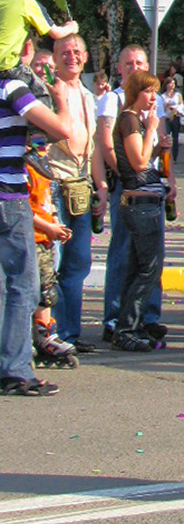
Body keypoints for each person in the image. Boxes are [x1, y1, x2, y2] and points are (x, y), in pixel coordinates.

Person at [0, 4, 80, 397]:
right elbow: (62, 129)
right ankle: (14, 369)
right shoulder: (11, 87)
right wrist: (59, 95)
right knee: (24, 285)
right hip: (8, 195)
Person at [37, 33, 106, 355]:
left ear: (86, 56)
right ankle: (51, 331)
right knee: (54, 260)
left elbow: (93, 151)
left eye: (77, 51)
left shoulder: (88, 96)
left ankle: (71, 332)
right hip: (52, 182)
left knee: (78, 263)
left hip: (80, 185)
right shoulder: (47, 92)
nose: (72, 57)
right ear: (55, 56)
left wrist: (100, 186)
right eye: (65, 52)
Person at [112, 68, 168, 352]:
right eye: (148, 91)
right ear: (135, 93)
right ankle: (127, 327)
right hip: (139, 205)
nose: (152, 98)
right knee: (148, 267)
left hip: (147, 201)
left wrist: (159, 150)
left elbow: (146, 162)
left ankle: (129, 324)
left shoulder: (134, 120)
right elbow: (137, 162)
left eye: (155, 92)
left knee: (138, 267)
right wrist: (150, 131)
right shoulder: (129, 120)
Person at [26, 160, 77, 369]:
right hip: (31, 237)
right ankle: (26, 338)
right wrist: (48, 227)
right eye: (38, 143)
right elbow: (23, 208)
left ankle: (45, 334)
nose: (43, 149)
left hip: (46, 237)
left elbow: (49, 204)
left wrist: (56, 225)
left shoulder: (43, 169)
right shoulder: (24, 169)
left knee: (47, 290)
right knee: (28, 291)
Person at [161, 71, 184, 162]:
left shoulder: (177, 95)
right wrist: (166, 106)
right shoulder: (162, 96)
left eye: (173, 84)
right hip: (166, 118)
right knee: (166, 137)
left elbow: (181, 105)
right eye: (170, 83)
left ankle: (174, 157)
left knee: (175, 138)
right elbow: (161, 109)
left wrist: (176, 109)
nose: (172, 85)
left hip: (175, 117)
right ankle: (165, 157)